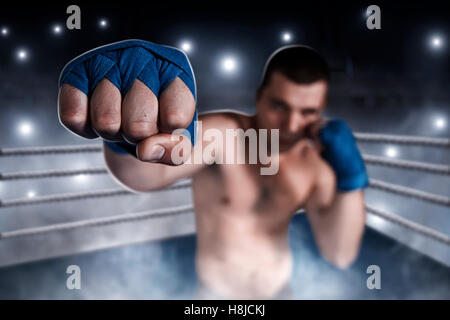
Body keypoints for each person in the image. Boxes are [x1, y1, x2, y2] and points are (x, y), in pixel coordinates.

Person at [57, 40, 368, 299]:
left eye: (307, 112)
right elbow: (143, 176)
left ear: (321, 111)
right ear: (259, 98)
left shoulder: (316, 164)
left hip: (280, 292)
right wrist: (127, 139)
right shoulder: (225, 134)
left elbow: (338, 253)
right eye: (280, 106)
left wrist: (350, 179)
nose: (290, 125)